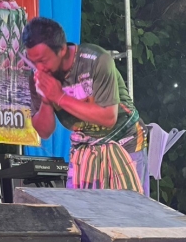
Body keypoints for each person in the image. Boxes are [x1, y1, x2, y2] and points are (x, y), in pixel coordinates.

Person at [22, 17, 146, 191]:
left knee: (127, 207)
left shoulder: (97, 61)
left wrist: (59, 97)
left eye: (43, 60)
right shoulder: (36, 76)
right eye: (33, 62)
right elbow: (44, 131)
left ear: (62, 50)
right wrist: (46, 100)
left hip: (124, 143)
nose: (39, 68)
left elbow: (108, 118)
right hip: (85, 151)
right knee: (83, 208)